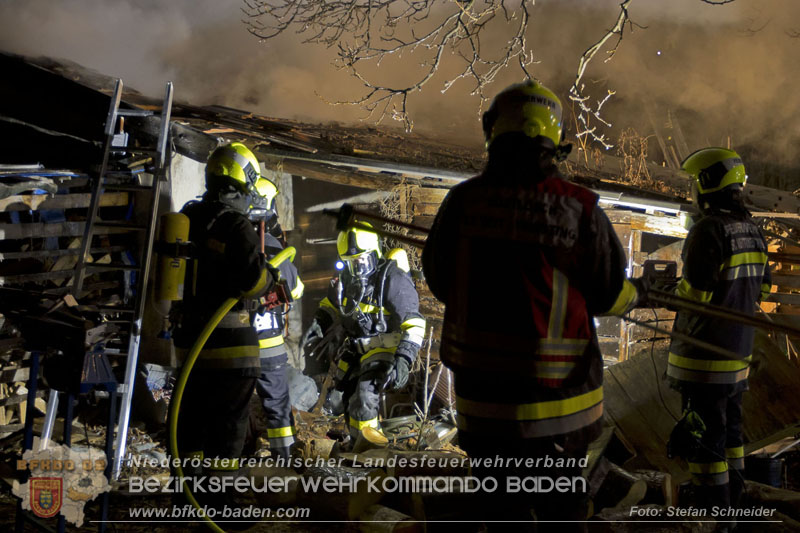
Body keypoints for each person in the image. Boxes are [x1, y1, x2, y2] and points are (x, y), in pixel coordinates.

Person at [421, 79, 641, 531]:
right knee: (561, 514)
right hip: (559, 408)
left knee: (502, 515)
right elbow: (607, 294)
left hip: (484, 407)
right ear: (555, 141)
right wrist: (637, 295)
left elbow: (440, 280)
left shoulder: (462, 202)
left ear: (491, 131)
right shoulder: (578, 210)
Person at [667, 148, 771, 512]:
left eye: (695, 183)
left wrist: (665, 292)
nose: (692, 191)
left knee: (704, 442)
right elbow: (763, 289)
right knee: (731, 436)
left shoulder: (707, 230)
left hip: (702, 358)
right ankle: (736, 503)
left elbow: (695, 295)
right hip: (736, 358)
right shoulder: (753, 232)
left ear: (707, 184)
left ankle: (713, 512)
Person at [172, 142, 272, 495]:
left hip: (190, 348)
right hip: (231, 350)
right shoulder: (235, 225)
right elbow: (252, 281)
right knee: (227, 428)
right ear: (244, 182)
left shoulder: (189, 218)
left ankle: (188, 500)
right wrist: (269, 275)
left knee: (192, 426)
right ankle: (220, 503)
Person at [304, 225, 426, 442]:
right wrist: (319, 321)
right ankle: (357, 447)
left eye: (362, 260)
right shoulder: (345, 279)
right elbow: (331, 304)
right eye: (350, 263)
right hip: (355, 351)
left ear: (375, 254)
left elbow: (415, 324)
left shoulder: (393, 279)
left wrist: (404, 359)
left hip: (384, 349)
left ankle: (370, 455)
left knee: (364, 397)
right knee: (343, 401)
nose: (357, 268)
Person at [249, 177, 304, 459]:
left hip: (235, 344)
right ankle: (285, 463)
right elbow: (295, 288)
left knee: (234, 405)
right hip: (269, 344)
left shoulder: (227, 241)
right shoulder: (272, 245)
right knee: (277, 405)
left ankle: (230, 467)